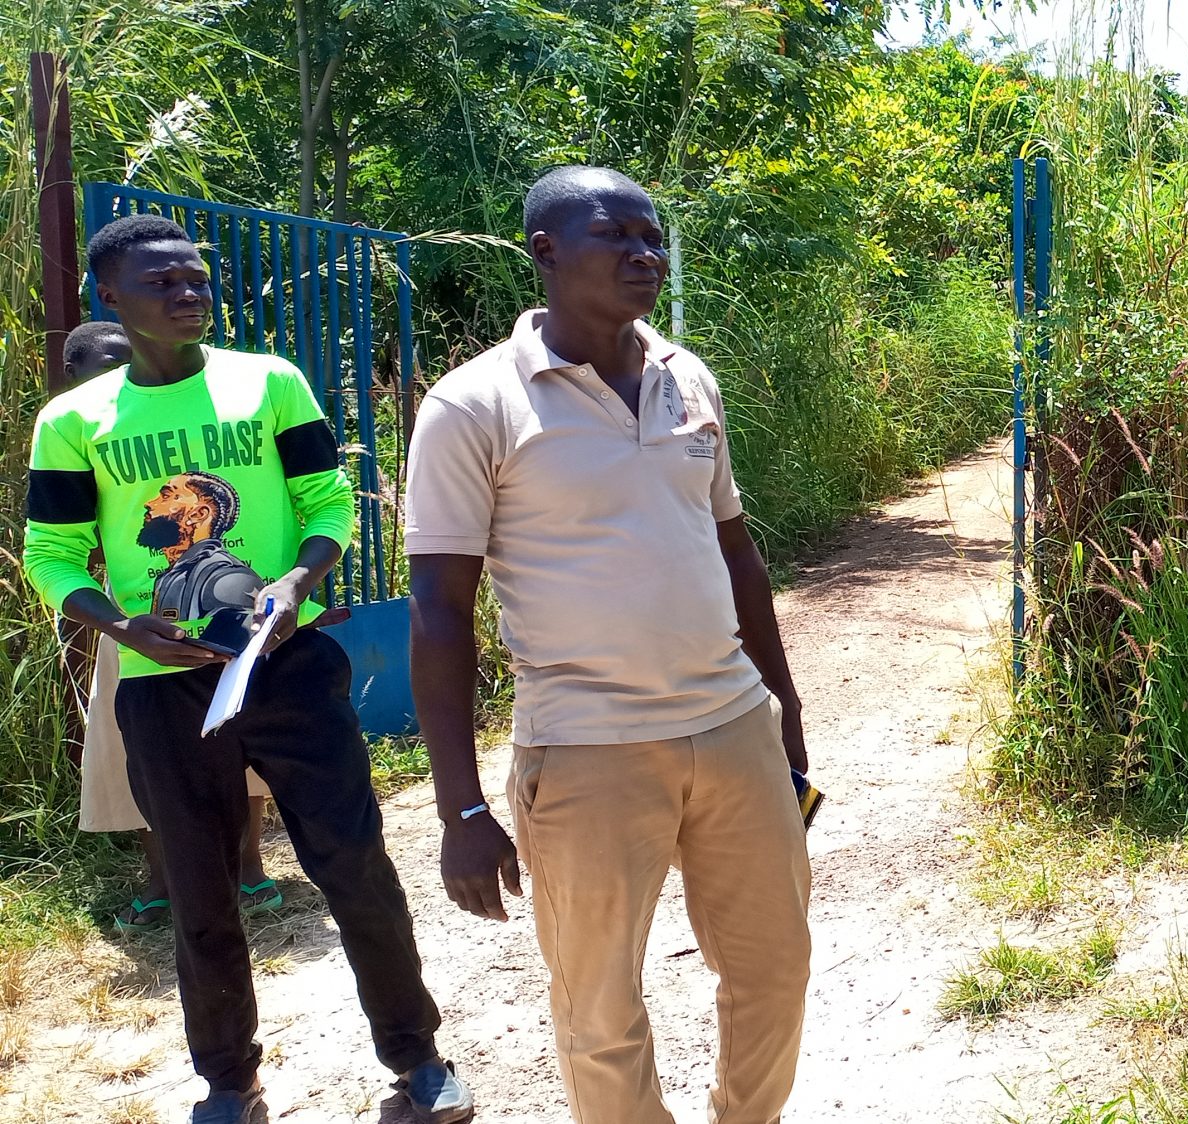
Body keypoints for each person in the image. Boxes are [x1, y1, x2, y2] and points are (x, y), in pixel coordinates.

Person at [22, 214, 475, 1124]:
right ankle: (229, 1081)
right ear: (110, 297)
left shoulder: (267, 384)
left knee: (355, 865)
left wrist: (293, 585)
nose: (189, 294)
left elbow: (327, 499)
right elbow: (53, 554)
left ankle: (417, 1059)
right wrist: (123, 627)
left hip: (288, 661)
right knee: (200, 890)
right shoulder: (73, 422)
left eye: (197, 279)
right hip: (162, 687)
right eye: (164, 284)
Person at [404, 165, 812, 1124]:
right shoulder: (474, 407)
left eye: (653, 236)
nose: (645, 254)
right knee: (601, 1007)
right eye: (616, 235)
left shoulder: (686, 375)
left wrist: (784, 712)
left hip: (732, 729)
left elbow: (736, 555)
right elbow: (438, 612)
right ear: (545, 251)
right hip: (585, 753)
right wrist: (458, 807)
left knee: (775, 973)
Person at [54, 321, 283, 936]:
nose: (121, 376)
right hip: (128, 619)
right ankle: (164, 879)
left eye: (124, 361)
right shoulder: (76, 429)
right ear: (73, 378)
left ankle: (250, 868)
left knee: (237, 727)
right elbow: (59, 544)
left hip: (220, 608)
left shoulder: (202, 415)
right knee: (136, 747)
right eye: (101, 368)